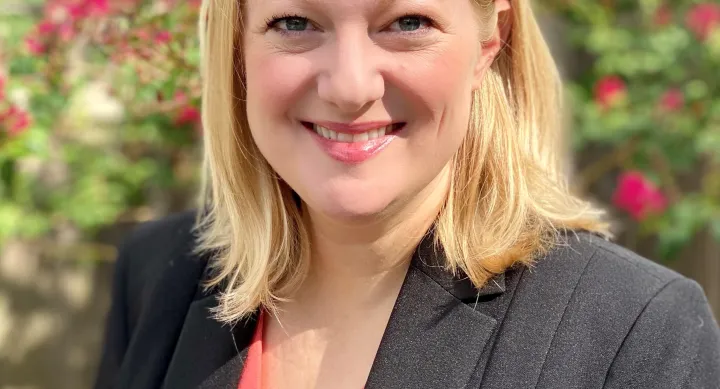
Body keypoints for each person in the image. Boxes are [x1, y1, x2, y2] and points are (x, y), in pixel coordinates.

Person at [93, 0, 720, 388]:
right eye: (294, 22)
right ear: (237, 43)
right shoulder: (159, 278)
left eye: (407, 23)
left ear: (487, 41)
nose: (349, 84)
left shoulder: (634, 331)